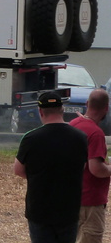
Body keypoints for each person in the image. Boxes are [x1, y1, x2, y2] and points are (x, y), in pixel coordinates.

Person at [14, 91, 88, 243]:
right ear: (62, 110)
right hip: (69, 209)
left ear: (40, 112)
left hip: (39, 210)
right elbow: (83, 166)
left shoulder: (30, 139)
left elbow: (18, 170)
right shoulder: (80, 138)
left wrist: (39, 175)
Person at [70, 89, 111, 243]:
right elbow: (96, 169)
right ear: (106, 108)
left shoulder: (74, 124)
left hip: (73, 199)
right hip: (90, 203)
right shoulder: (96, 133)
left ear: (87, 104)